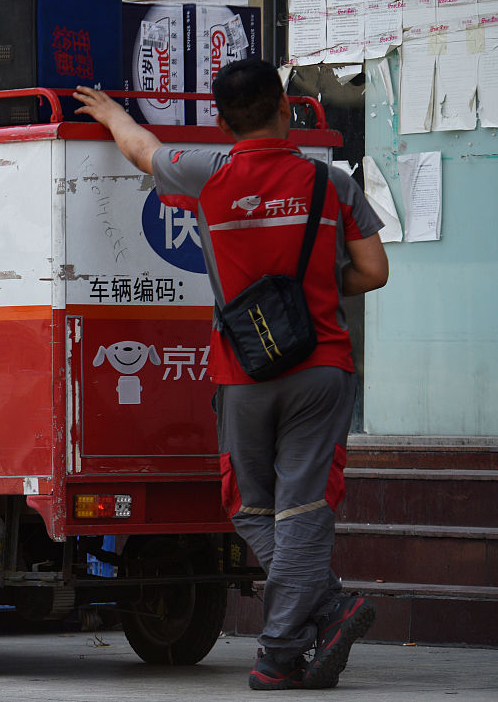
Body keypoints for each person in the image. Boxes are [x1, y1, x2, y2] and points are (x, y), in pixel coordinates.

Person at [74, 59, 389, 691]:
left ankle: (281, 647)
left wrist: (112, 113)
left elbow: (144, 152)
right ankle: (325, 608)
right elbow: (374, 271)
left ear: (220, 121)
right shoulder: (333, 186)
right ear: (286, 109)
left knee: (248, 504)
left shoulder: (209, 174)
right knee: (302, 506)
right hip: (321, 366)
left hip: (243, 368)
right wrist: (317, 290)